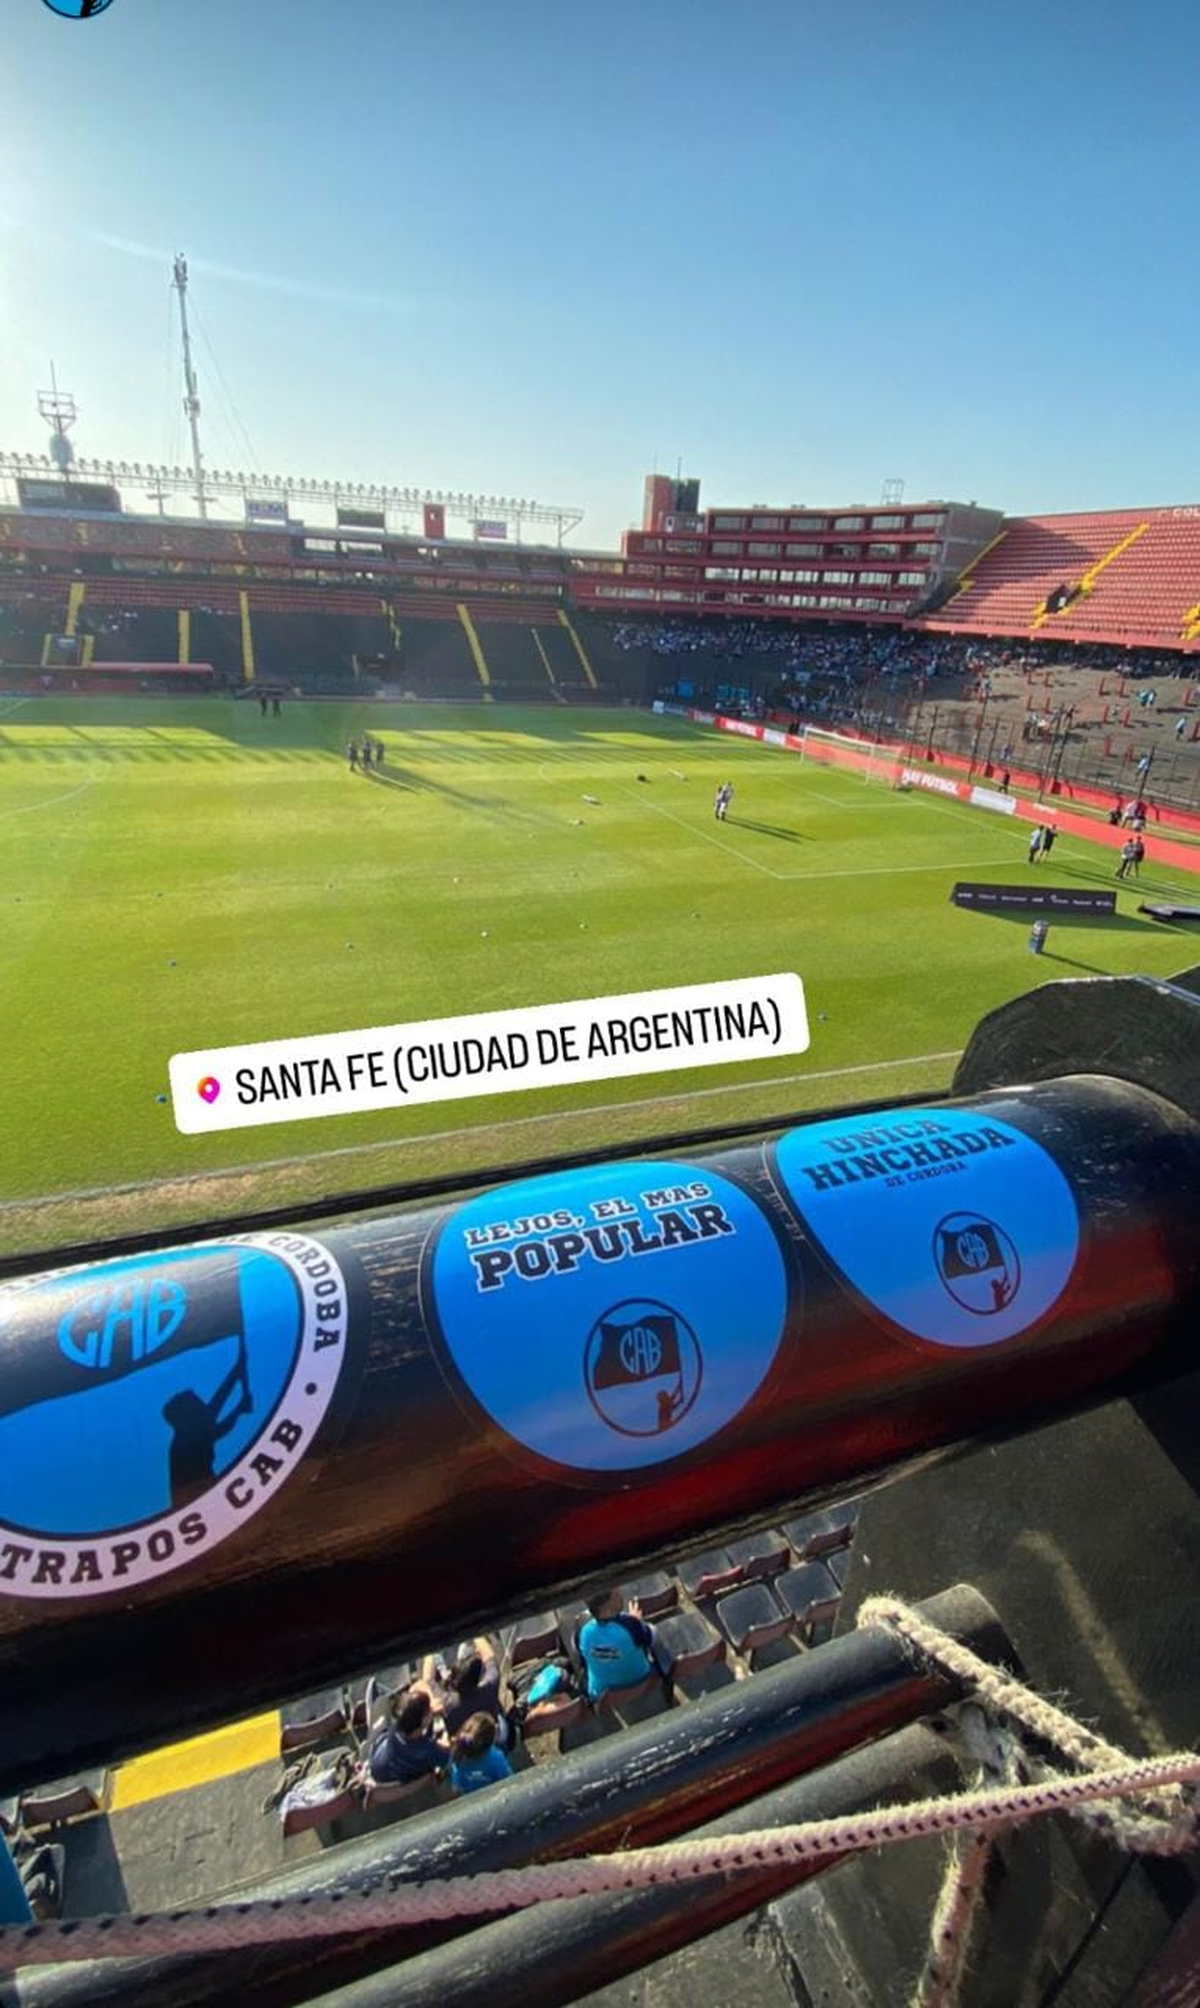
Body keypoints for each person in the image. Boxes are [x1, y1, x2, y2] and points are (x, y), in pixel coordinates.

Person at [575, 1589, 671, 1702]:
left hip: (604, 1695)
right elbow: (651, 1637)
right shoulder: (631, 1624)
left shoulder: (583, 1631)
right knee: (654, 1637)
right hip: (642, 1680)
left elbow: (581, 1654)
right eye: (615, 1594)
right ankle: (667, 1678)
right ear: (606, 1607)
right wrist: (638, 1621)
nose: (620, 1593)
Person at [427, 1638, 509, 1744]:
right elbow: (489, 1656)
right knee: (466, 1648)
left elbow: (428, 1679)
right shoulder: (490, 1686)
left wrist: (429, 1651)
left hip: (462, 1740)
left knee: (438, 1657)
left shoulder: (446, 1701)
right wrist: (476, 1634)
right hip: (489, 1736)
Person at [368, 1683, 450, 1785]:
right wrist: (447, 1739)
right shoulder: (428, 1750)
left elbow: (418, 1686)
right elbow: (449, 1756)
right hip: (402, 1780)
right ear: (424, 1720)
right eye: (428, 1709)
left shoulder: (398, 1723)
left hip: (377, 1766)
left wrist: (430, 1709)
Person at [448, 1712, 513, 1796]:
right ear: (490, 1740)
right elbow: (510, 1782)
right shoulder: (496, 1758)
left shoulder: (457, 1757)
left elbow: (456, 1790)